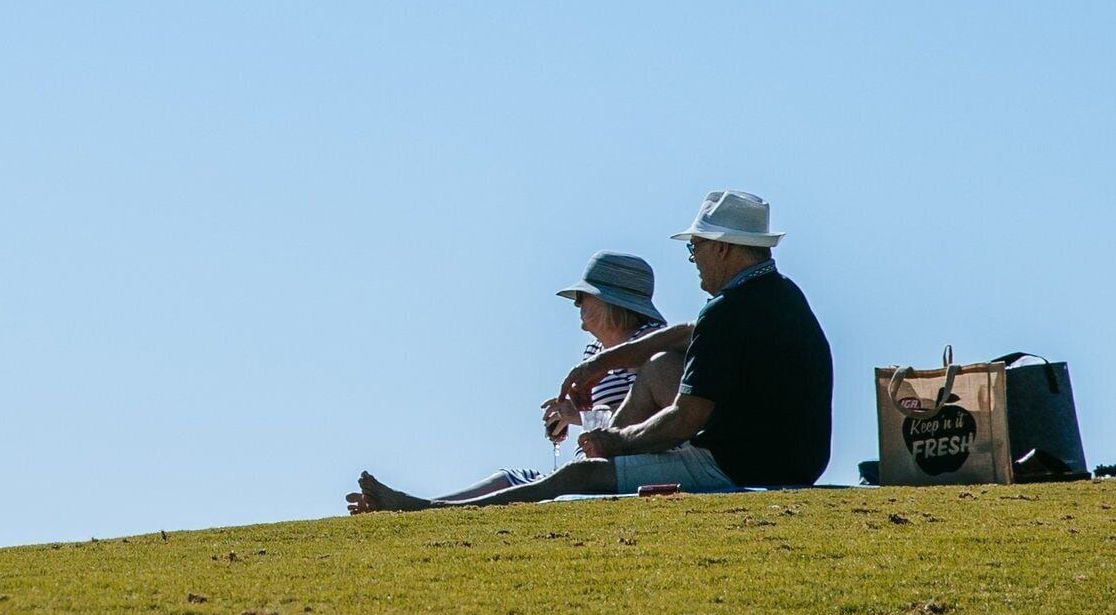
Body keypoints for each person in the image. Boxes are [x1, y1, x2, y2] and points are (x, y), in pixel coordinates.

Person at [388, 191, 833, 505]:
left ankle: (435, 510)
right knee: (659, 366)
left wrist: (612, 442)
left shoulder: (730, 310)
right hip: (796, 462)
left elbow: (684, 421)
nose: (693, 256)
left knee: (580, 475)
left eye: (696, 246)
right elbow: (686, 333)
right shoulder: (777, 296)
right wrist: (605, 362)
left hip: (744, 467)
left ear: (723, 250)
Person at [349, 253, 682, 512]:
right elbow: (605, 416)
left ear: (611, 302)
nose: (578, 306)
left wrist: (575, 417)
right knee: (506, 478)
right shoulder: (594, 350)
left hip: (626, 459)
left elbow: (641, 415)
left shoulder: (648, 343)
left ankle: (418, 509)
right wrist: (571, 415)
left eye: (584, 297)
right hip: (602, 456)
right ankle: (422, 505)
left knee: (534, 485)